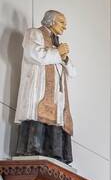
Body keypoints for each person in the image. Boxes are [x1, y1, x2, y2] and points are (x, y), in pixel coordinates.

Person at [15, 10, 76, 164]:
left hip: (56, 95)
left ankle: (54, 153)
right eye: (62, 22)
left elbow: (74, 72)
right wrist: (57, 52)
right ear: (51, 21)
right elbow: (33, 54)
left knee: (56, 118)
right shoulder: (34, 33)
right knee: (39, 114)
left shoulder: (57, 44)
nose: (65, 27)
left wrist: (64, 57)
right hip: (38, 88)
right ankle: (33, 149)